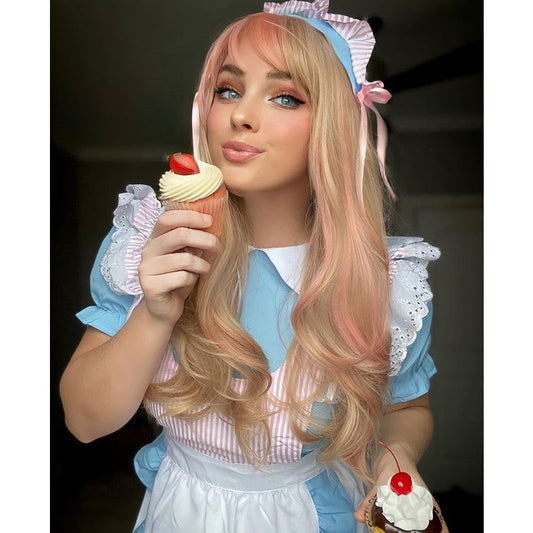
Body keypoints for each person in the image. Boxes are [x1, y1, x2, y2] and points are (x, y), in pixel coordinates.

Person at [60, 1, 448, 531]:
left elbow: (405, 410)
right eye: (228, 89)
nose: (241, 115)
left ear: (334, 126)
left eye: (286, 96)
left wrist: (396, 461)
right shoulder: (150, 241)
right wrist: (154, 313)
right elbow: (84, 422)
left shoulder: (387, 280)